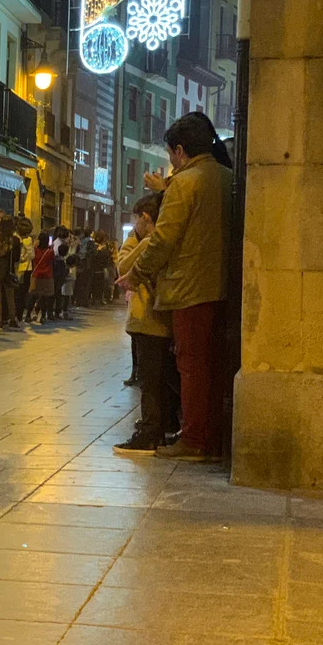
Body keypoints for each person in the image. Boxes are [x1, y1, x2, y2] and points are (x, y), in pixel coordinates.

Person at [118, 113, 233, 461]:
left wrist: (136, 273)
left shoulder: (185, 182)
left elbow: (164, 238)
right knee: (212, 365)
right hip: (221, 284)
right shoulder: (226, 177)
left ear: (180, 151)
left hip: (189, 287)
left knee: (191, 365)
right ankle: (210, 436)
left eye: (170, 154)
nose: (171, 162)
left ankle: (195, 440)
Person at [114, 192, 176, 455]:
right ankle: (163, 426)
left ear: (146, 218)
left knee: (149, 381)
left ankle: (150, 432)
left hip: (148, 320)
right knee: (160, 379)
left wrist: (138, 238)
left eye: (136, 219)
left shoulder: (151, 243)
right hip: (159, 320)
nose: (134, 225)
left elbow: (123, 266)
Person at [28, 232, 55, 323]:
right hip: (47, 276)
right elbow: (52, 262)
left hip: (36, 275)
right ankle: (42, 316)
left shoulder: (35, 250)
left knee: (33, 296)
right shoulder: (50, 251)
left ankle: (28, 315)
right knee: (44, 297)